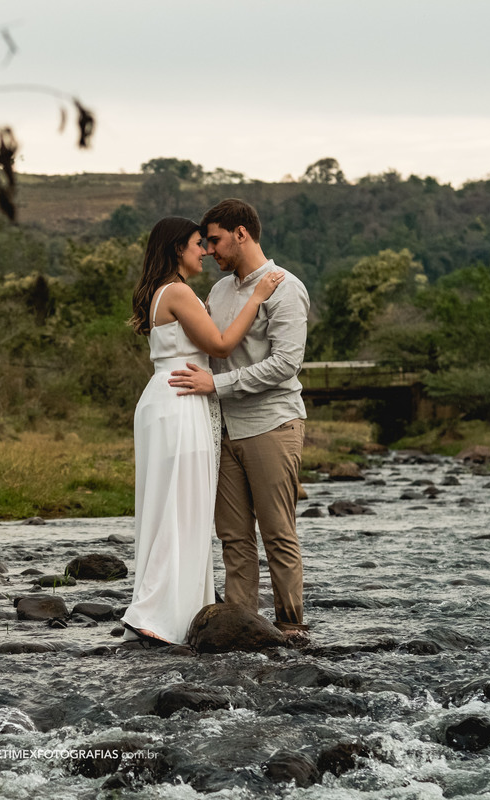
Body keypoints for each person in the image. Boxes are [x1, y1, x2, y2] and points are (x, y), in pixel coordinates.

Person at [122, 216, 284, 646]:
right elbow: (221, 345)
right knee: (183, 507)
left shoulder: (162, 292)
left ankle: (163, 609)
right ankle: (158, 613)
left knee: (167, 506)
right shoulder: (177, 291)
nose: (206, 251)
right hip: (182, 400)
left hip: (165, 397)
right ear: (178, 248)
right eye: (198, 244)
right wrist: (258, 295)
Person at [169, 198, 310, 639]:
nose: (208, 250)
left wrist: (218, 386)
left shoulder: (287, 287)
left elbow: (286, 363)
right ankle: (239, 629)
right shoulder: (219, 291)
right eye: (205, 243)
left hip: (272, 425)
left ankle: (290, 629)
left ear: (241, 233)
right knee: (233, 538)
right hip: (222, 429)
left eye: (214, 239)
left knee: (278, 535)